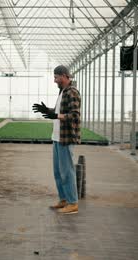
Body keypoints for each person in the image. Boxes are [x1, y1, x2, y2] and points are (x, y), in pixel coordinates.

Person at [32, 65, 81, 214]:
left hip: (66, 138)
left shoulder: (72, 92)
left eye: (56, 77)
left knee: (67, 171)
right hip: (57, 137)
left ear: (65, 76)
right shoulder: (63, 92)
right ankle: (64, 199)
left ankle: (73, 203)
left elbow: (74, 115)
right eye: (54, 77)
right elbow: (59, 112)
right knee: (58, 172)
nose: (55, 81)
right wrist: (48, 110)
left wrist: (57, 116)